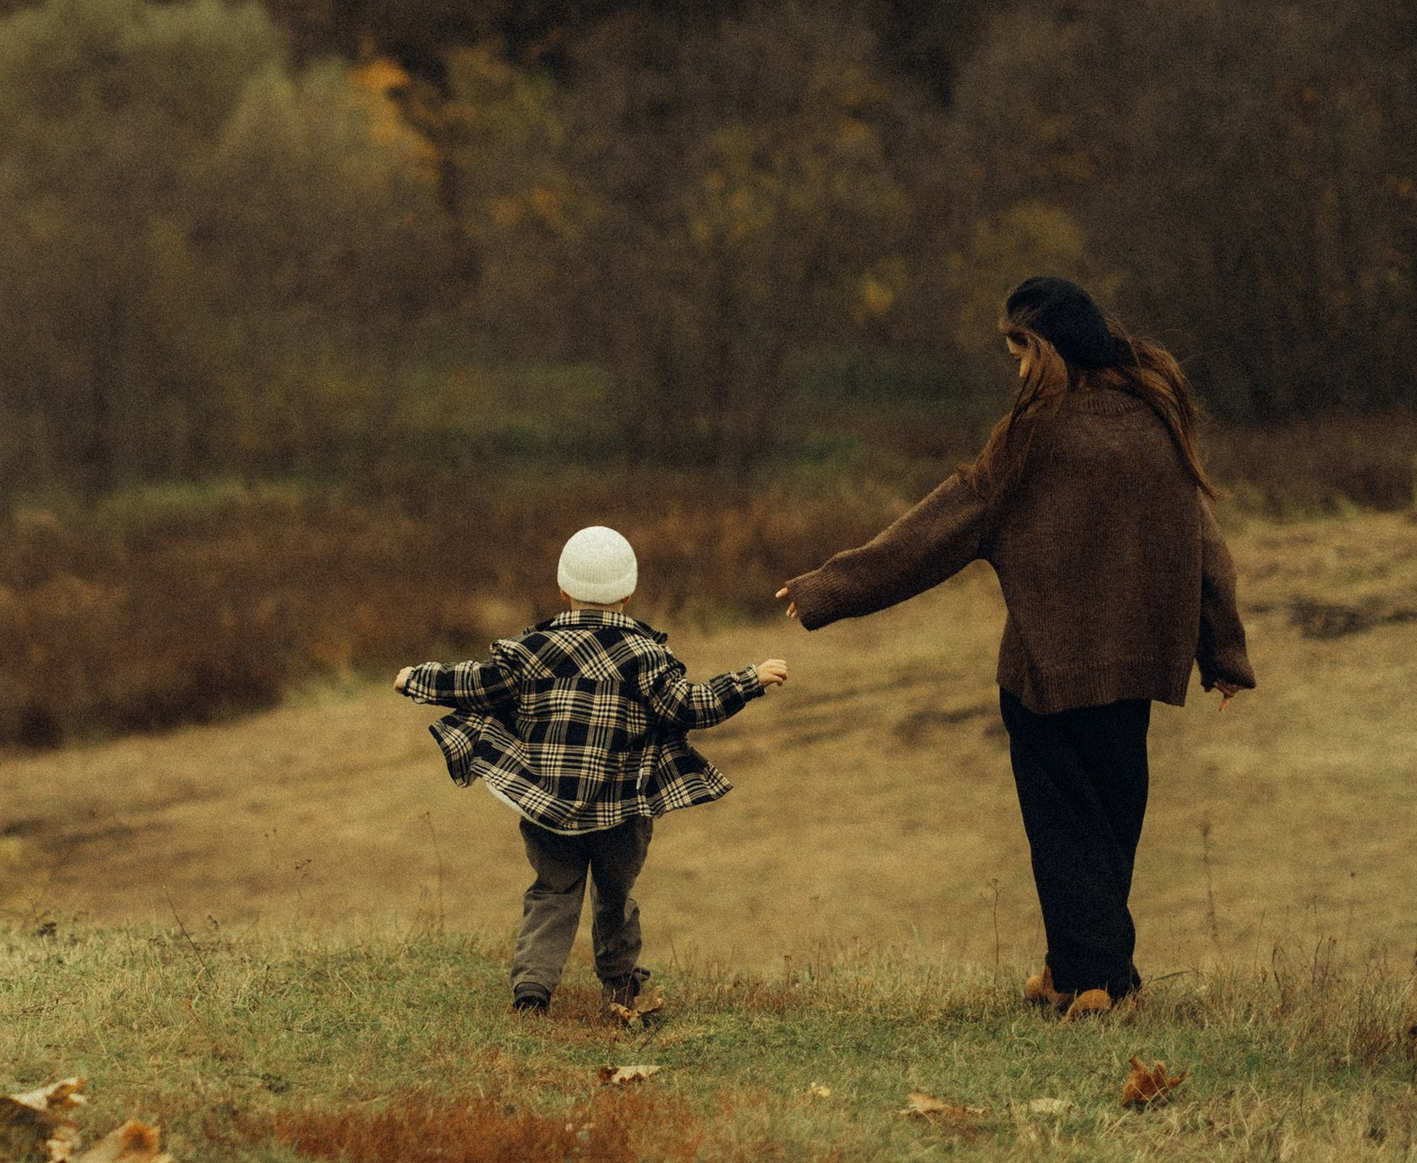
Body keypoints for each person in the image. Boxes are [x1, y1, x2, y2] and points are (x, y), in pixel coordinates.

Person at [779, 274, 1254, 1016]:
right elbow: (1204, 542)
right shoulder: (1154, 421)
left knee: (1064, 832)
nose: (1020, 368)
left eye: (1023, 350)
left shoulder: (1035, 437)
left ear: (1054, 347)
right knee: (1109, 821)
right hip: (1132, 675)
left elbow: (943, 525)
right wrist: (1222, 651)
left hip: (1047, 673)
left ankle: (1096, 983)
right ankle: (1079, 975)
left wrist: (829, 589)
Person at [396, 523, 788, 1017]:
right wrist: (749, 680)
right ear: (628, 592)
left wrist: (418, 678)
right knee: (615, 895)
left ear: (562, 591)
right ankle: (621, 989)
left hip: (546, 807)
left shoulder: (531, 650)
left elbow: (476, 682)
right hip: (623, 810)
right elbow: (691, 707)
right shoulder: (646, 656)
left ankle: (532, 992)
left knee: (551, 891)